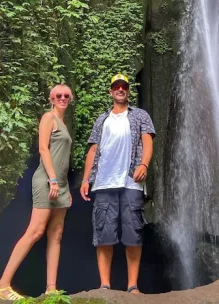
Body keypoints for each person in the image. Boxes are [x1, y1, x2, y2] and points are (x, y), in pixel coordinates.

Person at [0, 84, 75, 301]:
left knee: (56, 234)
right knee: (35, 231)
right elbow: (43, 149)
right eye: (58, 95)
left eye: (66, 95)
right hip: (48, 181)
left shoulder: (63, 123)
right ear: (51, 98)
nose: (63, 97)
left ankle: (51, 288)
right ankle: (2, 285)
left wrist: (64, 186)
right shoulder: (49, 118)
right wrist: (53, 180)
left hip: (62, 185)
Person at [79, 73, 156, 295]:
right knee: (104, 233)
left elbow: (147, 141)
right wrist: (86, 179)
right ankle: (105, 285)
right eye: (116, 87)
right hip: (104, 182)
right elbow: (93, 150)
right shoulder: (101, 119)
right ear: (110, 92)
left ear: (128, 91)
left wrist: (144, 164)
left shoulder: (140, 115)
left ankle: (133, 286)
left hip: (131, 182)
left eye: (124, 86)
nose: (120, 89)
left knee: (133, 233)